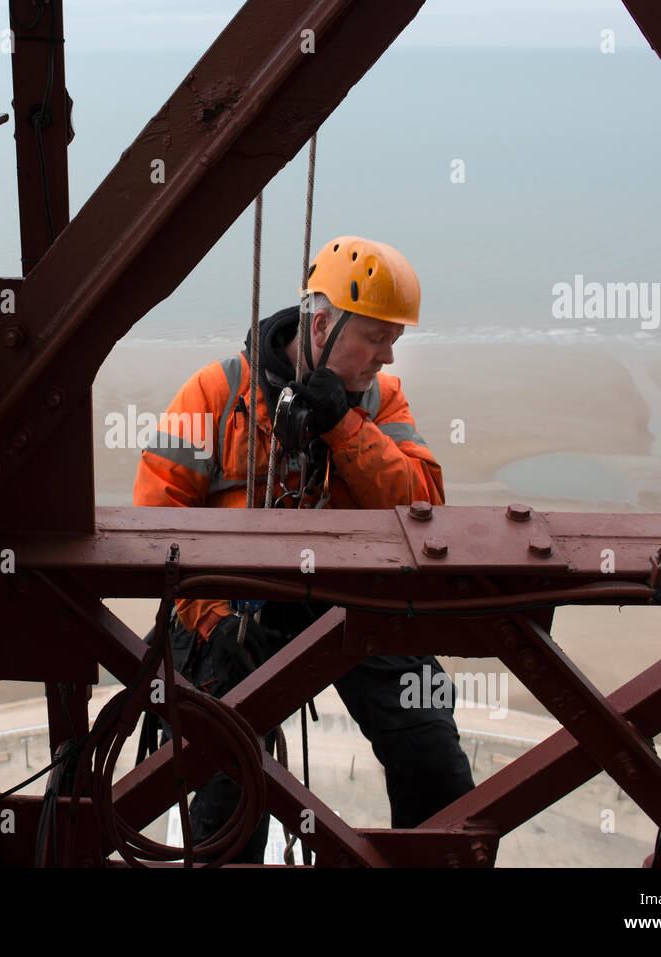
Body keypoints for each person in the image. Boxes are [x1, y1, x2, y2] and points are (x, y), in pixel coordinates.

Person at [133, 236, 475, 863]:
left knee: (433, 756)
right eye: (376, 336)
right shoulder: (215, 395)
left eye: (394, 338)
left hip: (350, 602)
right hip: (229, 612)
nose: (388, 353)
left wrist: (345, 427)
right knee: (228, 780)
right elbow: (157, 528)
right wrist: (216, 623)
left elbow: (423, 505)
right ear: (322, 324)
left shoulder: (379, 401)